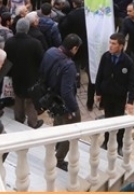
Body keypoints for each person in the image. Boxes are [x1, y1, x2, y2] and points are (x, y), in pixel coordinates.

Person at [39, 34, 83, 171]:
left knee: (57, 123)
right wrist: (74, 109)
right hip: (63, 102)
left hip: (51, 98)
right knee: (70, 133)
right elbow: (66, 92)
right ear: (74, 48)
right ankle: (59, 159)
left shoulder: (50, 51)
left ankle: (56, 146)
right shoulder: (69, 65)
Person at [95, 33, 134, 156]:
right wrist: (98, 92)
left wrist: (130, 101)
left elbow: (132, 82)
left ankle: (119, 143)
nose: (110, 46)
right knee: (108, 119)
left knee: (119, 121)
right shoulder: (106, 57)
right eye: (110, 43)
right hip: (107, 95)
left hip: (119, 97)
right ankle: (107, 140)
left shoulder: (127, 62)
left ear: (121, 46)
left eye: (113, 44)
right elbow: (99, 75)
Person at [4, 18, 45, 129]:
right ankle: (33, 122)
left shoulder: (9, 42)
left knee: (18, 97)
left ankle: (19, 118)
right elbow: (41, 60)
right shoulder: (35, 43)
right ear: (28, 29)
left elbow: (7, 59)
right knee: (31, 100)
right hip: (31, 75)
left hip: (15, 75)